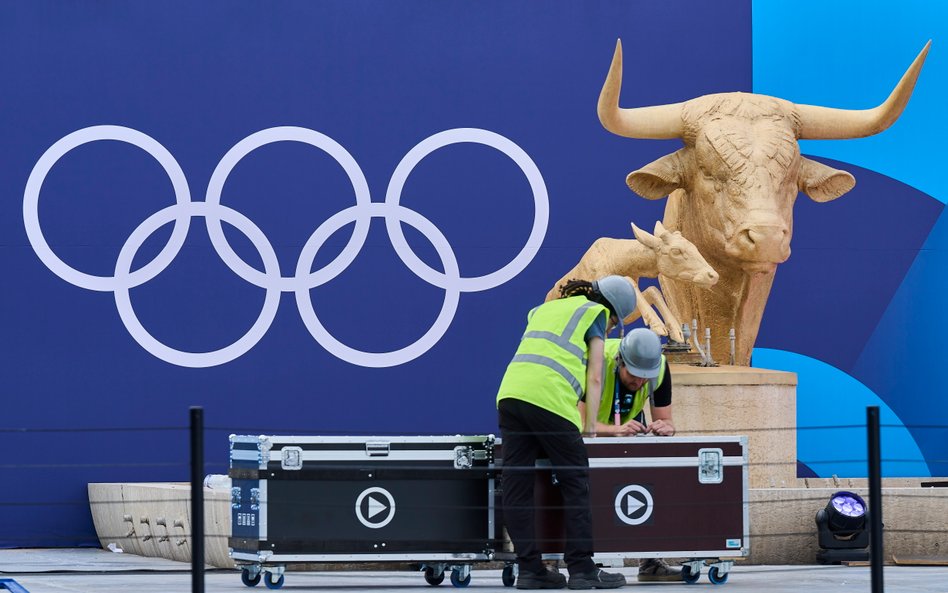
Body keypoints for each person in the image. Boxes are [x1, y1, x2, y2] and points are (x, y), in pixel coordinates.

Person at [496, 276, 636, 590]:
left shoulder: (543, 309)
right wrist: (590, 428)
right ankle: (583, 568)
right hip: (550, 400)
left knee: (517, 486)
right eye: (614, 323)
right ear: (612, 311)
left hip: (510, 396)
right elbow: (596, 374)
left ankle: (530, 570)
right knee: (576, 481)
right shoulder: (595, 314)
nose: (610, 327)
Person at [577, 328, 683, 582]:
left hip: (624, 428)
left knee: (646, 484)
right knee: (577, 491)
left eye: (645, 378)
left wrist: (666, 428)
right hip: (589, 431)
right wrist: (614, 431)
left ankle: (650, 562)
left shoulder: (659, 368)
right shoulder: (596, 361)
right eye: (634, 376)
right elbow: (578, 424)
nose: (639, 383)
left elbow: (665, 419)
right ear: (620, 362)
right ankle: (555, 558)